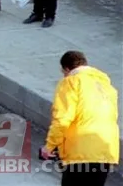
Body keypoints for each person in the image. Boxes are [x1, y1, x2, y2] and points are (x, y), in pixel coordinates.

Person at [41, 51, 118, 186]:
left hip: (80, 152)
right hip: (106, 152)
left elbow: (62, 119)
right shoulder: (107, 86)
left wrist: (49, 146)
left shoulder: (71, 82)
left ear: (67, 69)